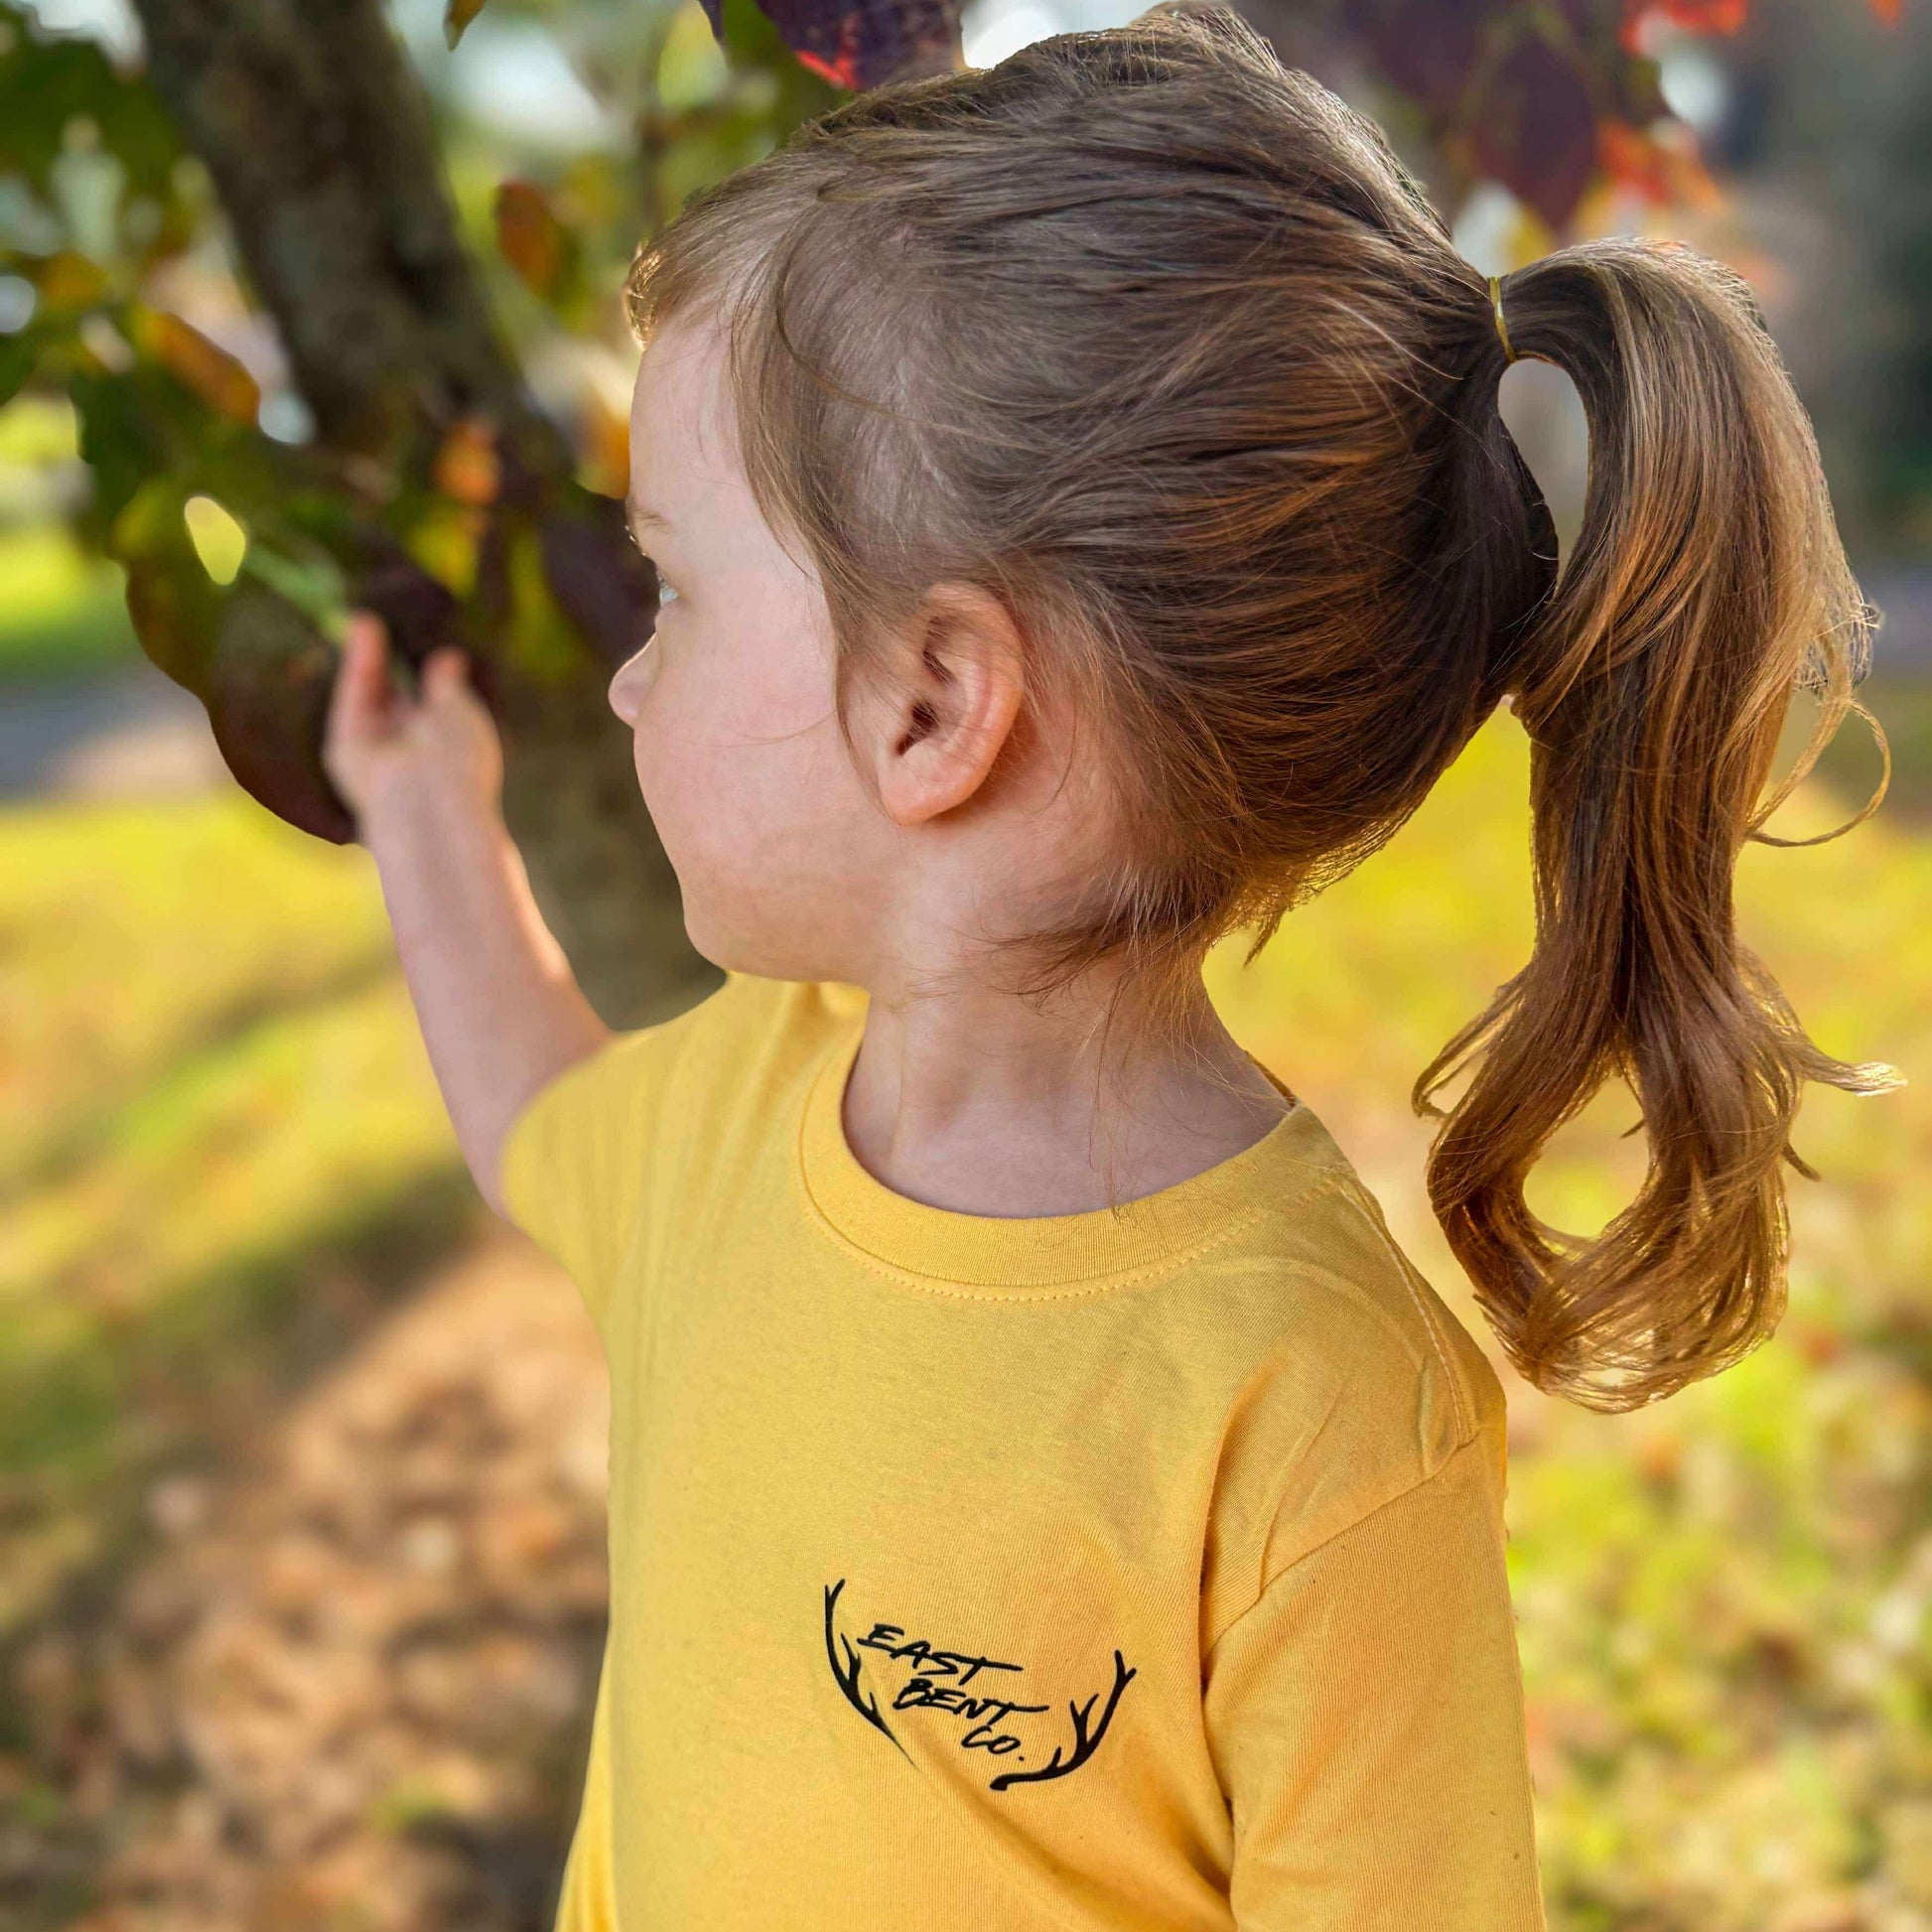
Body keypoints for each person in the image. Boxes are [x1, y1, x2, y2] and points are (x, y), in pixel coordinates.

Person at [322, 3, 1890, 1925]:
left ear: (934, 704)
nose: (634, 670)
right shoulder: (750, 1098)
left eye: (675, 583)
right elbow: (534, 1122)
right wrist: (418, 805)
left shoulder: (1303, 1400)